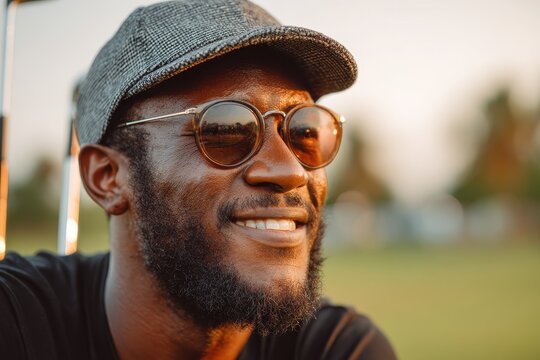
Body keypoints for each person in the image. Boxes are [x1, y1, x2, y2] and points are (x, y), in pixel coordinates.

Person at [0, 1, 397, 359]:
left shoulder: (337, 349)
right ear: (108, 178)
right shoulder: (15, 323)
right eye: (227, 130)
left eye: (305, 131)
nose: (290, 170)